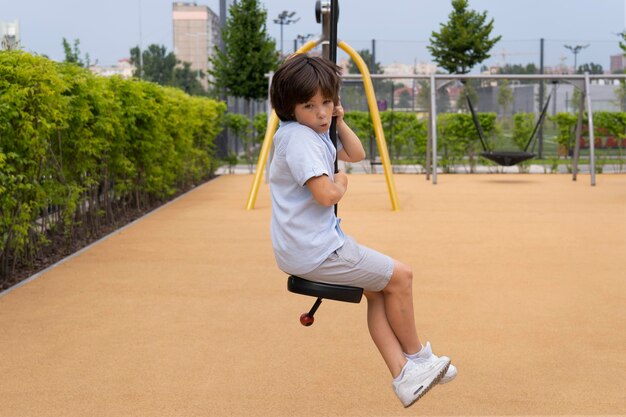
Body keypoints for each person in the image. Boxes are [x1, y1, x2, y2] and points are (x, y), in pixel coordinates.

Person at [268, 53, 456, 408]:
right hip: (317, 250)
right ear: (289, 107)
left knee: (378, 292)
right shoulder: (301, 140)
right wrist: (340, 183)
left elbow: (354, 153)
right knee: (401, 276)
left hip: (308, 246)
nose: (321, 113)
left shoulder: (311, 130)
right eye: (310, 105)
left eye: (327, 102)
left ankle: (403, 375)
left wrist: (339, 120)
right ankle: (418, 359)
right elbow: (326, 195)